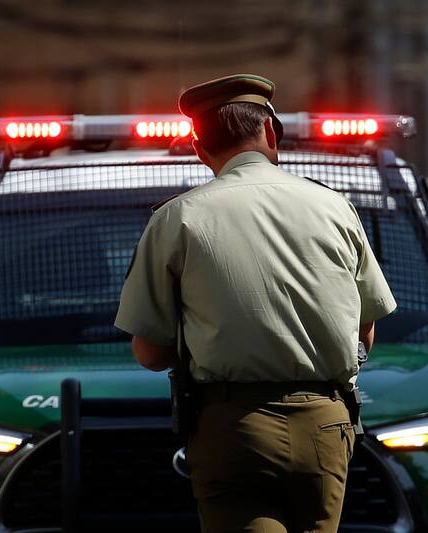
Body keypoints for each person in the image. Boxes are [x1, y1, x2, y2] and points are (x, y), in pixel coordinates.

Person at [114, 74, 397, 533]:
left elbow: (149, 352)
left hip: (233, 427)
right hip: (328, 423)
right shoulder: (335, 207)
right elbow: (365, 330)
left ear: (198, 148)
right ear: (269, 132)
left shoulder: (178, 219)